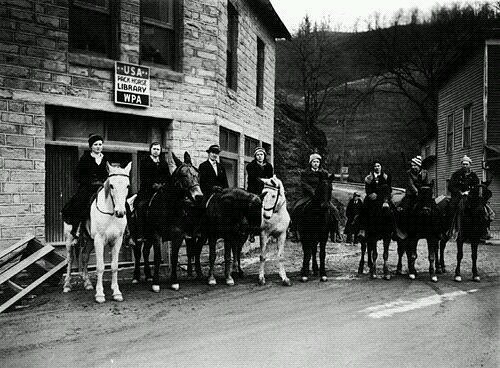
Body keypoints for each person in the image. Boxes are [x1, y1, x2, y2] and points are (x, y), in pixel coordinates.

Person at [62, 133, 108, 238]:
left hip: (101, 187)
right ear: (91, 146)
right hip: (88, 187)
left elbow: (107, 174)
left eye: (100, 144)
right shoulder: (85, 158)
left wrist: (104, 182)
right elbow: (77, 174)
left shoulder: (105, 159)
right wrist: (89, 181)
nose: (98, 147)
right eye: (95, 144)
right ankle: (76, 229)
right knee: (81, 203)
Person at [290, 153, 341, 241]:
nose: (316, 163)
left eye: (317, 162)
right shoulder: (305, 172)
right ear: (311, 163)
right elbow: (303, 183)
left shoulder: (324, 173)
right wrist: (312, 191)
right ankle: (294, 231)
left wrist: (322, 192)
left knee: (335, 211)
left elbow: (326, 183)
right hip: (308, 195)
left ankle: (337, 233)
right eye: (314, 161)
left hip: (321, 196)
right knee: (296, 208)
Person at [134, 142, 171, 243]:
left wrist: (163, 185)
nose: (156, 151)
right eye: (154, 149)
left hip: (162, 190)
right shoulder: (145, 161)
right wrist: (153, 185)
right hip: (148, 190)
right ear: (150, 150)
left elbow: (168, 177)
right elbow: (143, 176)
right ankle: (140, 234)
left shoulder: (163, 163)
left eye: (158, 149)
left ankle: (167, 232)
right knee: (141, 206)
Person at [447, 155, 480, 237]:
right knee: (452, 207)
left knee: (483, 209)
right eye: (463, 164)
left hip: (470, 196)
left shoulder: (474, 176)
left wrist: (469, 192)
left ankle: (482, 230)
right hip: (458, 196)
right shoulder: (456, 175)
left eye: (467, 164)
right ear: (461, 165)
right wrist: (459, 192)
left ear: (470, 165)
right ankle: (451, 229)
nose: (465, 166)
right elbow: (450, 186)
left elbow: (477, 187)